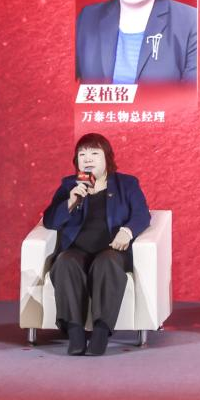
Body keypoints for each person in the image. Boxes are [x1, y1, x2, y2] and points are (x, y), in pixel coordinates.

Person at [41, 133, 151, 356]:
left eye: (94, 153)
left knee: (106, 263)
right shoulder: (69, 185)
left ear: (107, 158)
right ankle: (75, 333)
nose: (88, 159)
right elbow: (50, 221)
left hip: (111, 249)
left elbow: (142, 214)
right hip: (77, 250)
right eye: (82, 154)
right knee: (64, 262)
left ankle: (100, 333)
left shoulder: (126, 184)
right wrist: (71, 201)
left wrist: (127, 232)